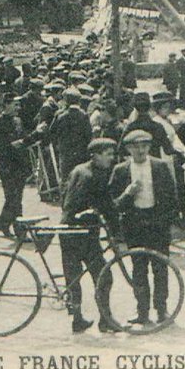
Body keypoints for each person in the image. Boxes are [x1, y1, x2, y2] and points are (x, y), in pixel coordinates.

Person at [109, 130, 177, 325]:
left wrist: (166, 221)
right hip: (134, 225)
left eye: (145, 146)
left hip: (157, 224)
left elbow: (172, 197)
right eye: (136, 147)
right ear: (129, 149)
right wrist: (128, 194)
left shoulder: (160, 166)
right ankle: (142, 312)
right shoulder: (121, 170)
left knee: (160, 269)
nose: (140, 150)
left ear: (149, 147)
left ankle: (162, 310)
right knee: (139, 270)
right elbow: (113, 202)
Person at [58, 138, 121, 333]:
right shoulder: (92, 175)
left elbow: (65, 196)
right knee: (103, 276)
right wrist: (117, 233)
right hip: (81, 233)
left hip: (70, 230)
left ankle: (78, 320)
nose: (112, 158)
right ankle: (105, 320)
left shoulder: (80, 169)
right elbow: (106, 207)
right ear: (95, 155)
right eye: (108, 154)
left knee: (74, 279)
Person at [0, 95, 37, 237]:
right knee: (13, 199)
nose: (18, 108)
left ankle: (3, 224)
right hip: (7, 166)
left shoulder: (18, 121)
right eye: (15, 105)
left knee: (15, 198)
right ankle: (20, 232)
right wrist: (9, 149)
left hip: (20, 165)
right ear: (5, 105)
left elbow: (24, 140)